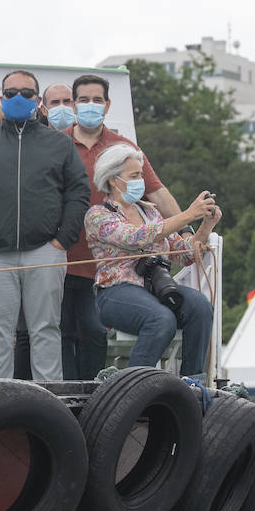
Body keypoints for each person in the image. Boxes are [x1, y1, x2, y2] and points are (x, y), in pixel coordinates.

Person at [0, 70, 90, 381]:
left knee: (45, 329)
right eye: (12, 92)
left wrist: (62, 240)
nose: (19, 98)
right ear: (1, 99)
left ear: (38, 101)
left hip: (45, 251)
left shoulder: (59, 144)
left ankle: (48, 403)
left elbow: (78, 191)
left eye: (27, 93)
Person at [62, 74, 181, 380]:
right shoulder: (57, 142)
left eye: (97, 100)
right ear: (74, 103)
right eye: (84, 99)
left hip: (102, 265)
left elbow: (157, 191)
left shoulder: (123, 147)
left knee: (93, 334)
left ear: (108, 104)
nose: (90, 105)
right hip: (59, 256)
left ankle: (99, 401)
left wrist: (188, 229)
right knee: (59, 333)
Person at [85, 144, 220, 378]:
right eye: (135, 176)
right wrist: (188, 214)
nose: (141, 181)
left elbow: (185, 253)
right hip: (116, 293)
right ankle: (132, 387)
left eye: (141, 175)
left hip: (155, 288)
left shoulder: (151, 213)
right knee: (161, 319)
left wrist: (206, 224)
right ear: (114, 181)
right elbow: (135, 238)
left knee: (200, 306)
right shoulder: (98, 215)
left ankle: (192, 383)